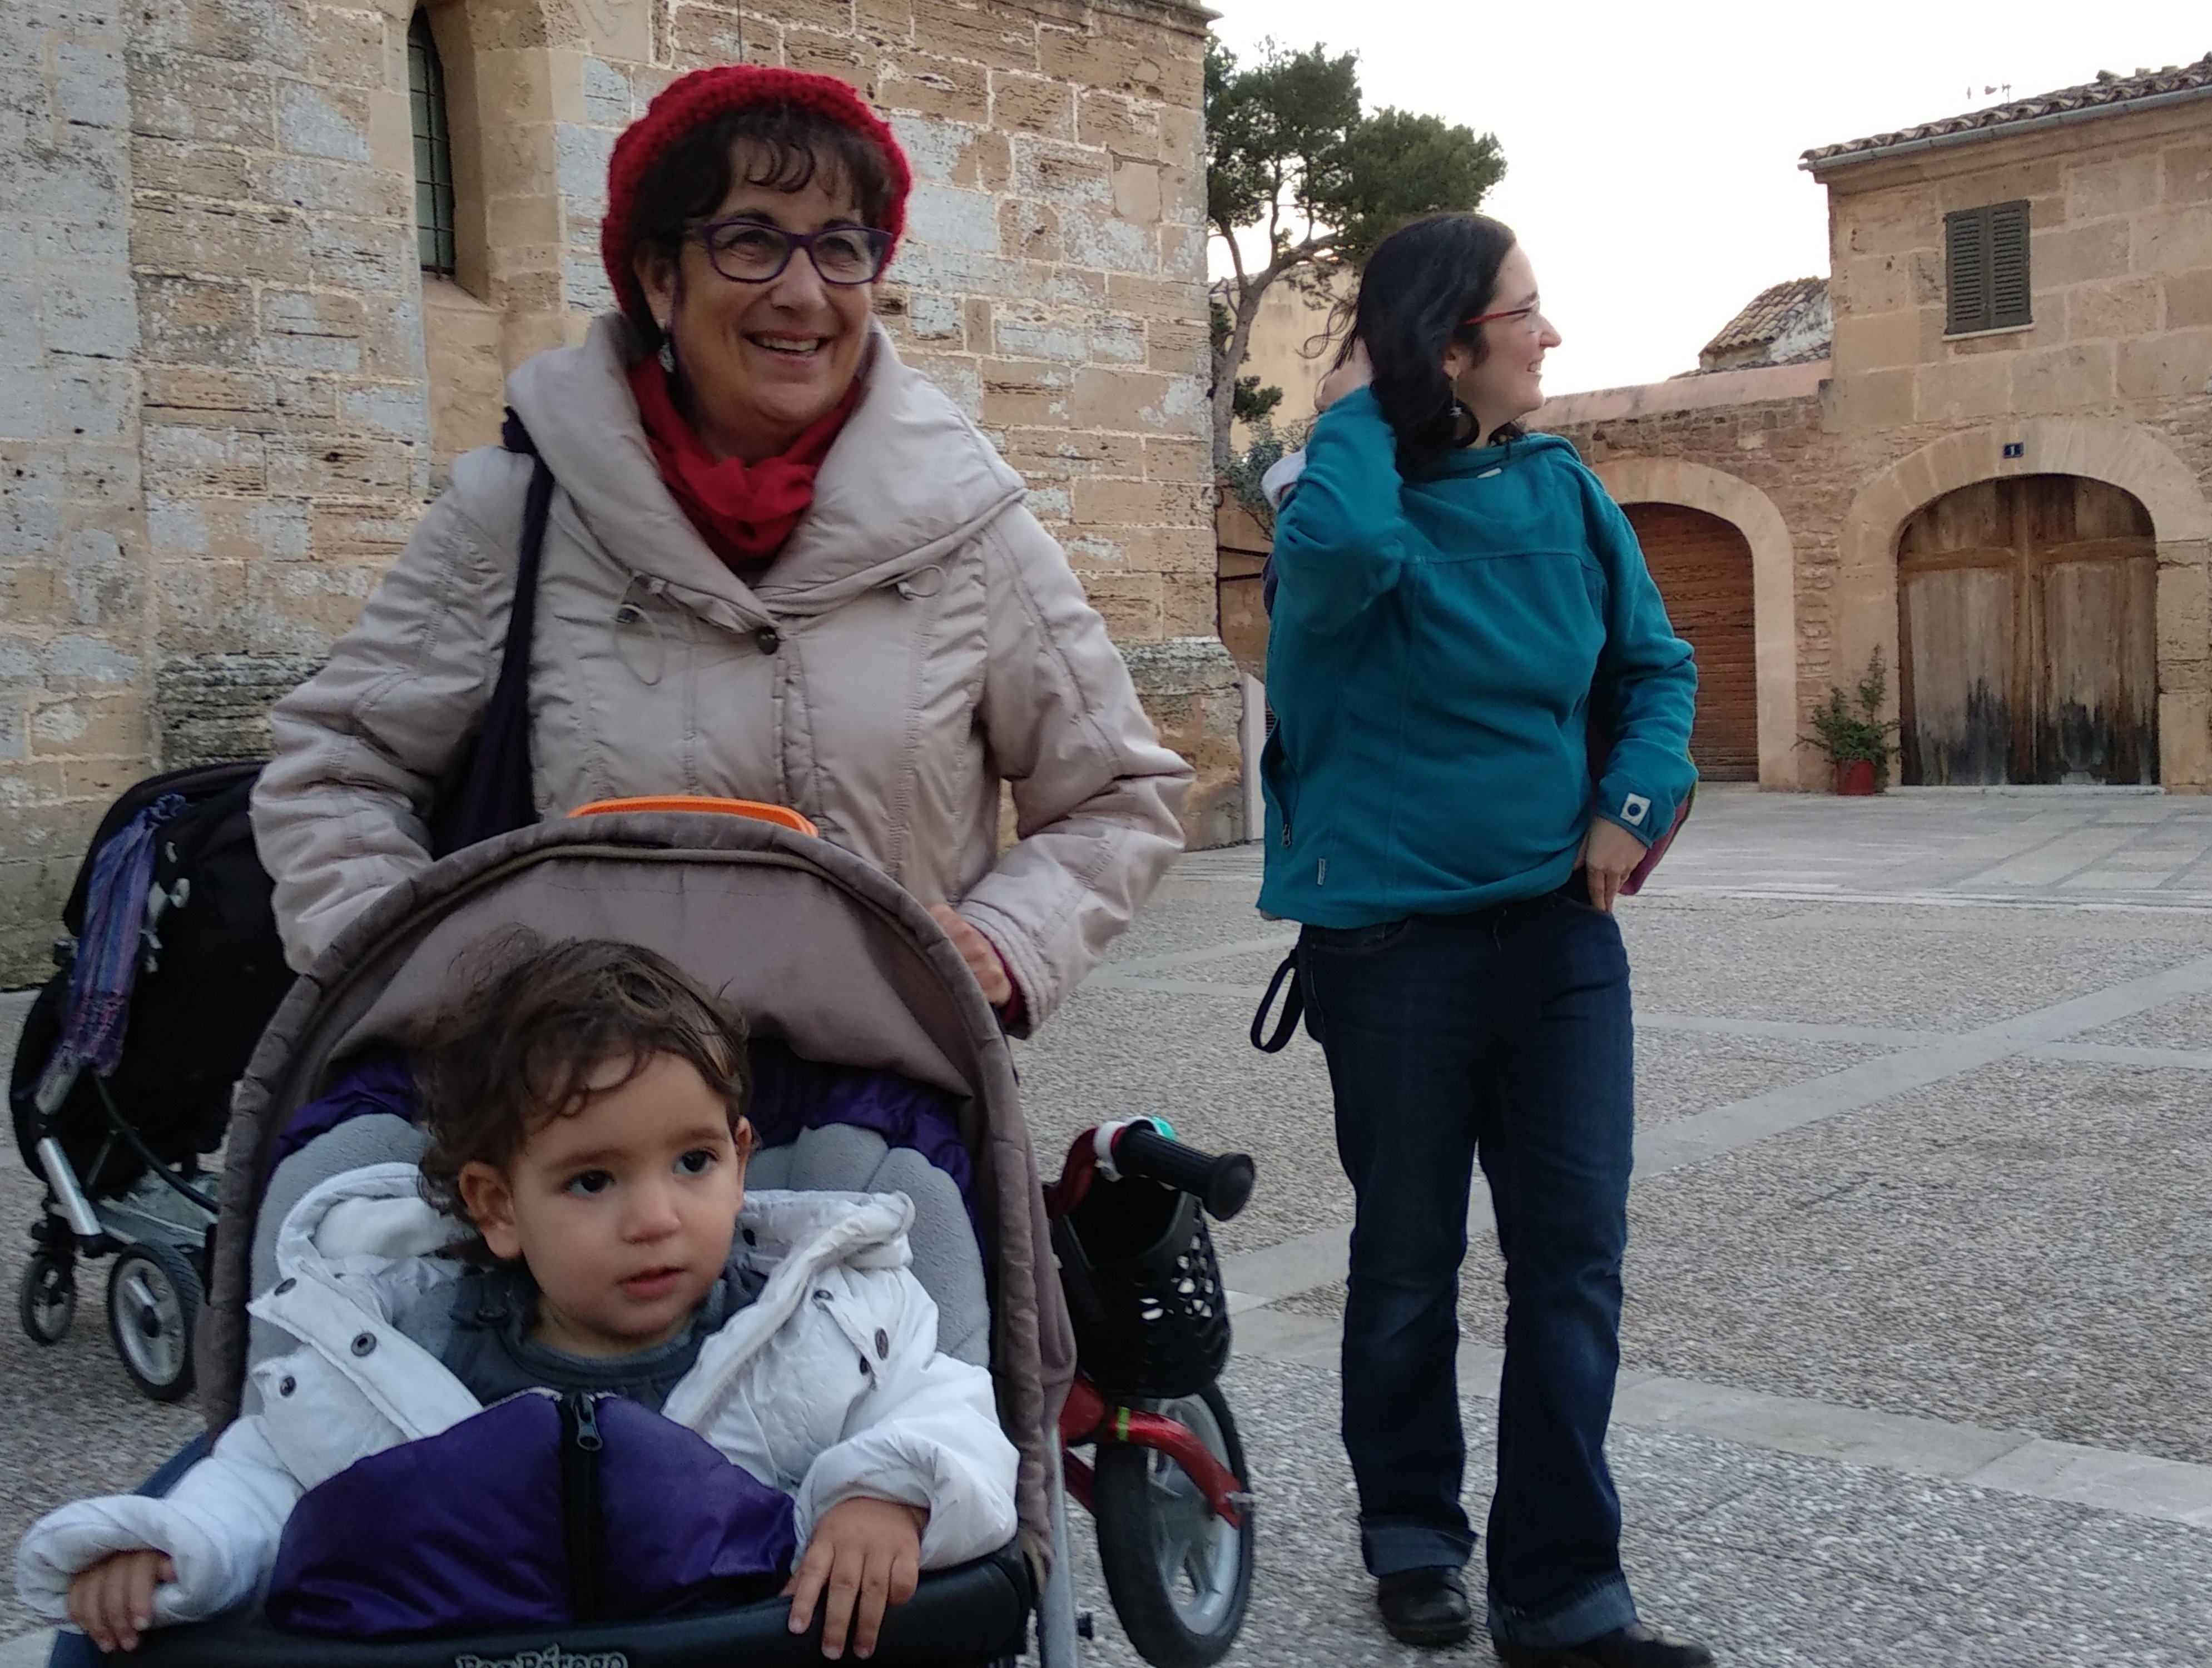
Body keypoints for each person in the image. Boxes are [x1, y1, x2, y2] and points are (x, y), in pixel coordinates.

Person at [249, 65, 1190, 1031]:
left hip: (885, 1094)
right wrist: (439, 986)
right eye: (751, 241)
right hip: (576, 1104)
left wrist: (1008, 939)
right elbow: (337, 769)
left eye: (841, 247)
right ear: (662, 277)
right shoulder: (518, 509)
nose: (803, 292)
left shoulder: (968, 526)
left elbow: (1120, 791)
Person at [18, 939, 1019, 1660]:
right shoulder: (398, 1353)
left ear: (742, 1158)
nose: (655, 1219)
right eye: (593, 1180)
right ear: (497, 1207)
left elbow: (952, 1416)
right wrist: (181, 1548)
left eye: (694, 1163)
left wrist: (893, 1491)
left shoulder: (831, 1325)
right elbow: (272, 1478)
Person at [1262, 214, 1709, 1667]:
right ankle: (1411, 1534)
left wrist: (1630, 807)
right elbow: (1341, 561)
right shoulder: (1336, 508)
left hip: (1559, 940)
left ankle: (1563, 1592)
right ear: (1450, 345)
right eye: (1526, 312)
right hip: (1390, 948)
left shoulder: (1564, 489)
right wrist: (1353, 408)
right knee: (1405, 1262)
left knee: (1573, 1261)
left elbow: (1655, 668)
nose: (1550, 334)